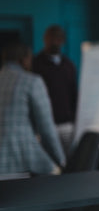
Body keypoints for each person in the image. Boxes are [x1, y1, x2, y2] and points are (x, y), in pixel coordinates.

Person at [0, 42, 66, 178]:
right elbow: (46, 128)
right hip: (22, 162)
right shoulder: (31, 82)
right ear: (24, 60)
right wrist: (60, 160)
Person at [32, 25, 78, 155]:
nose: (54, 42)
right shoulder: (35, 64)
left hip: (67, 125)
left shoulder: (69, 65)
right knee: (47, 165)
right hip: (43, 125)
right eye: (51, 38)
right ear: (45, 39)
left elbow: (74, 94)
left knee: (68, 162)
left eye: (58, 38)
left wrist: (74, 120)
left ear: (63, 40)